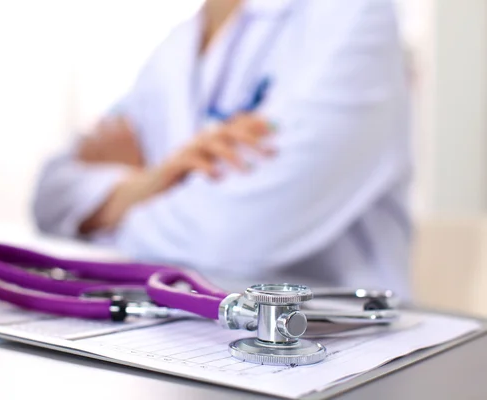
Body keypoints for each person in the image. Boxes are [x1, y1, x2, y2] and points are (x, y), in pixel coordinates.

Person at [32, 0, 412, 297]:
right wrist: (150, 182)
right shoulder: (177, 48)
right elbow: (49, 194)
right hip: (181, 331)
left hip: (333, 340)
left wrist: (108, 213)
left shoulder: (350, 15)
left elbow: (236, 233)